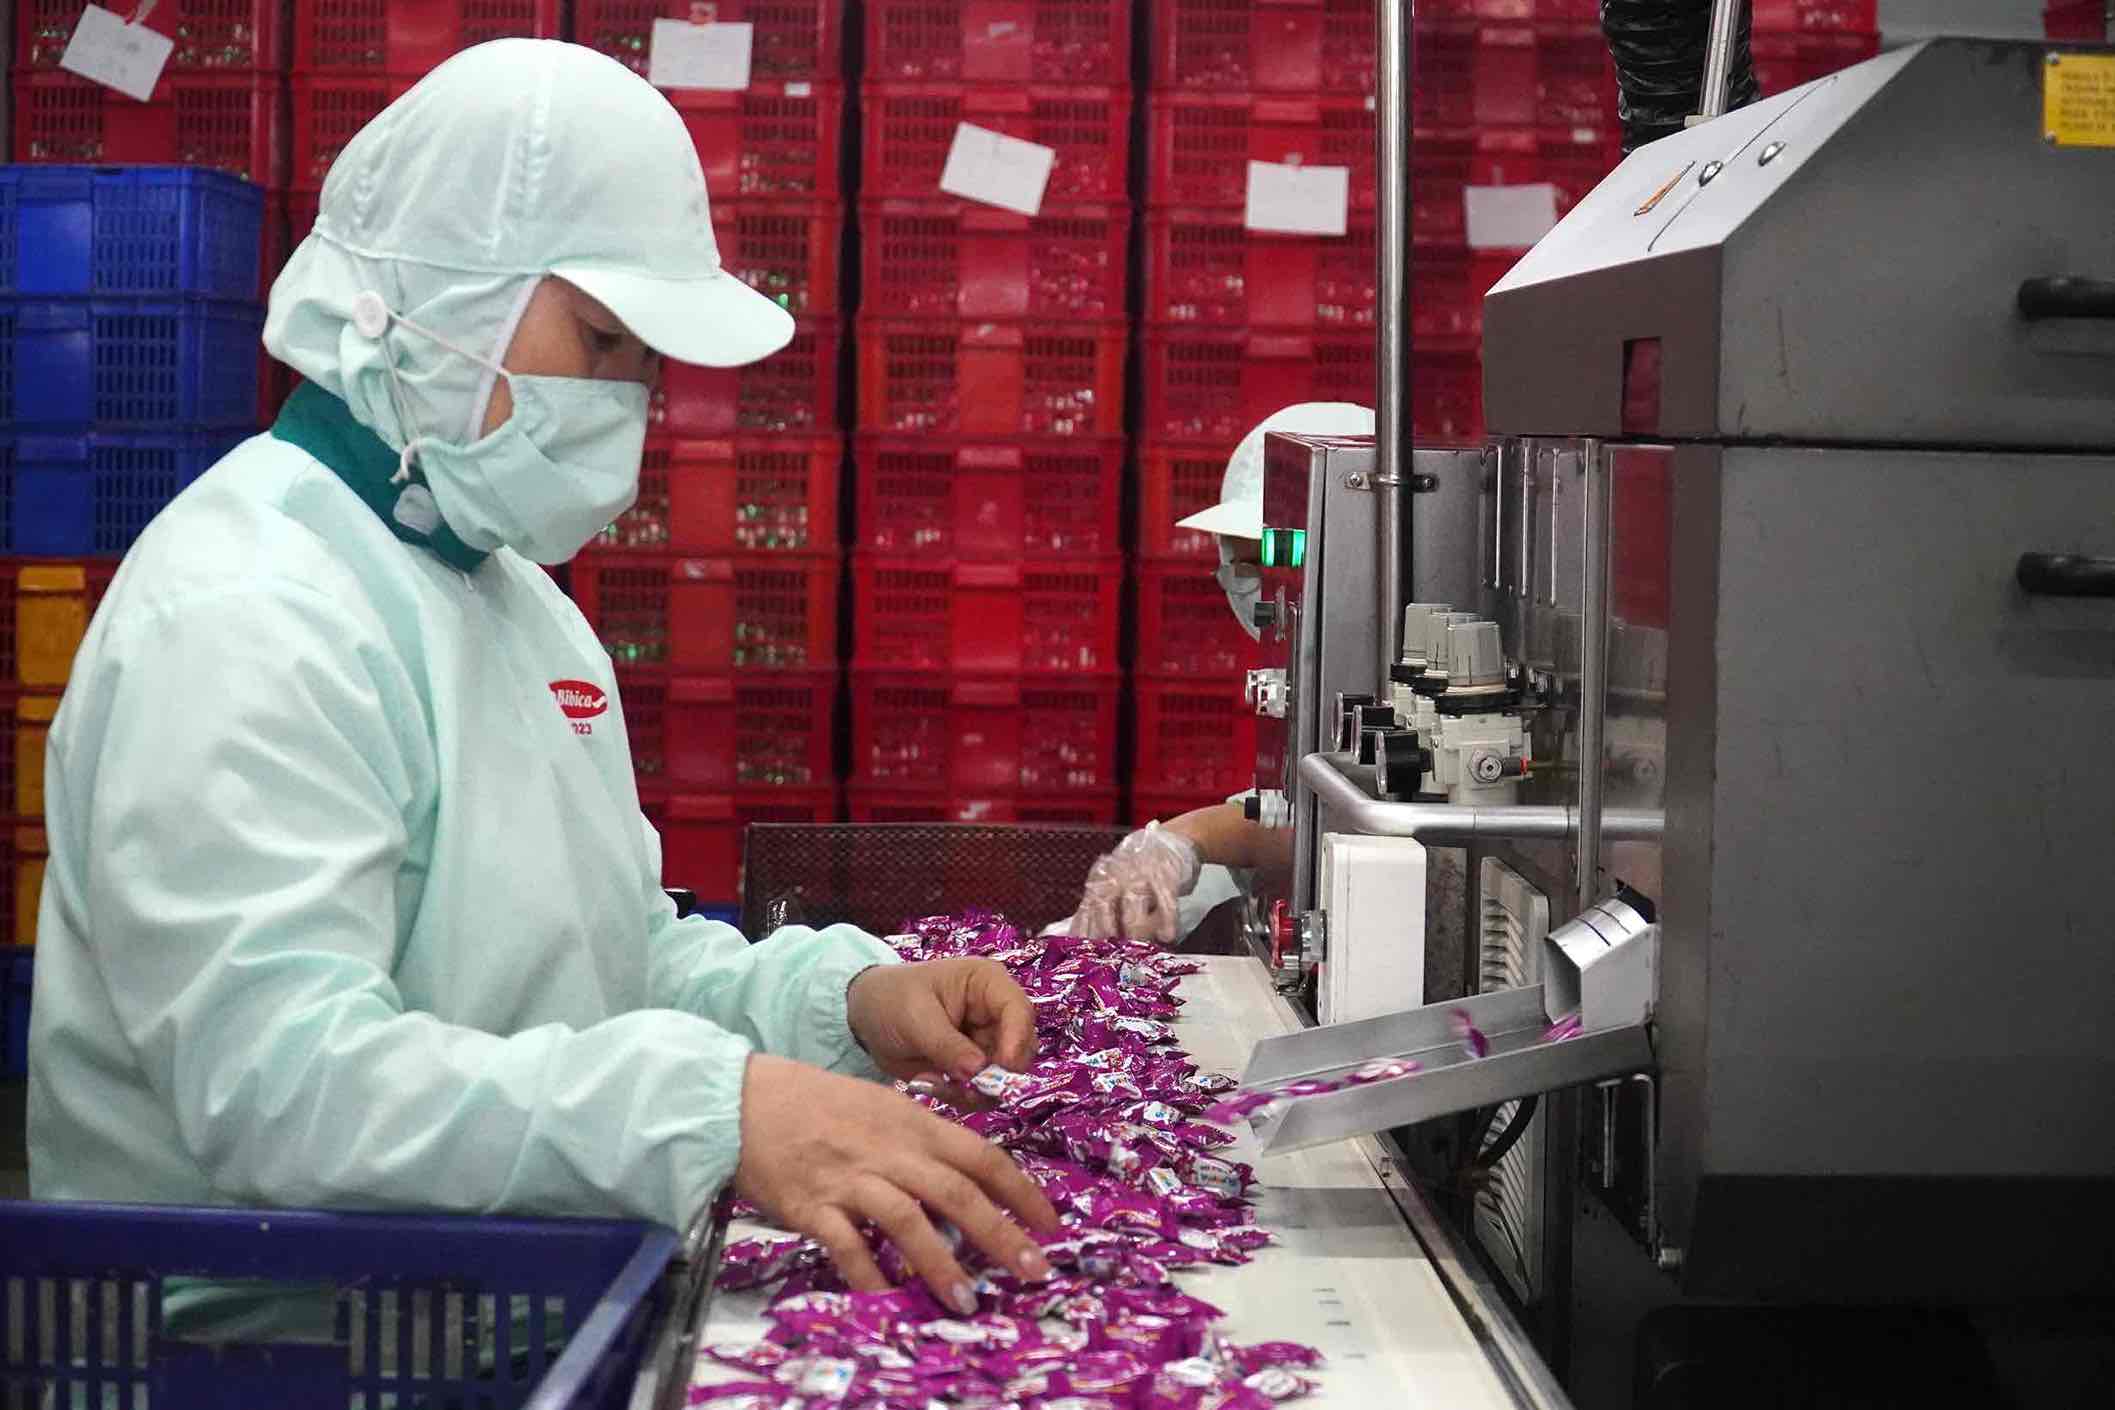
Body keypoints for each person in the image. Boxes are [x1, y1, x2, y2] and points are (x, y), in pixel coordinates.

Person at [26, 39, 1057, 1325]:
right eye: (605, 339)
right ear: (432, 303)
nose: (631, 400)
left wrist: (842, 1001)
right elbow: (281, 1088)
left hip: (497, 1308)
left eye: (646, 363)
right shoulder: (248, 607)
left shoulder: (521, 610)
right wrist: (709, 1109)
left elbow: (611, 963)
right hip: (266, 1352)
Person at [1070, 403, 1375, 946]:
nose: (1251, 587)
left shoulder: (1404, 672)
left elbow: (1360, 822)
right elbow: (1297, 814)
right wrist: (1180, 863)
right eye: (1238, 564)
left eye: (1270, 560)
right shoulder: (1316, 670)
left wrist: (1198, 835)